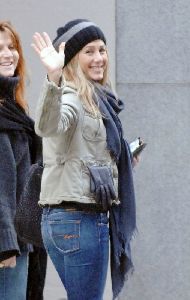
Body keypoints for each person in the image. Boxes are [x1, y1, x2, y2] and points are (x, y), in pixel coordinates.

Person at [32, 19, 137, 300]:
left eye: (102, 50)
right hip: (78, 219)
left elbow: (84, 151)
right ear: (72, 59)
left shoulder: (98, 99)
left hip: (71, 220)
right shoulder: (72, 95)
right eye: (89, 51)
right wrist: (53, 77)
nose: (99, 58)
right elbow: (48, 127)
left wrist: (120, 160)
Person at [0, 21, 47, 300]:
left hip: (21, 237)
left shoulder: (14, 108)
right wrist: (5, 243)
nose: (9, 54)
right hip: (8, 243)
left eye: (11, 46)